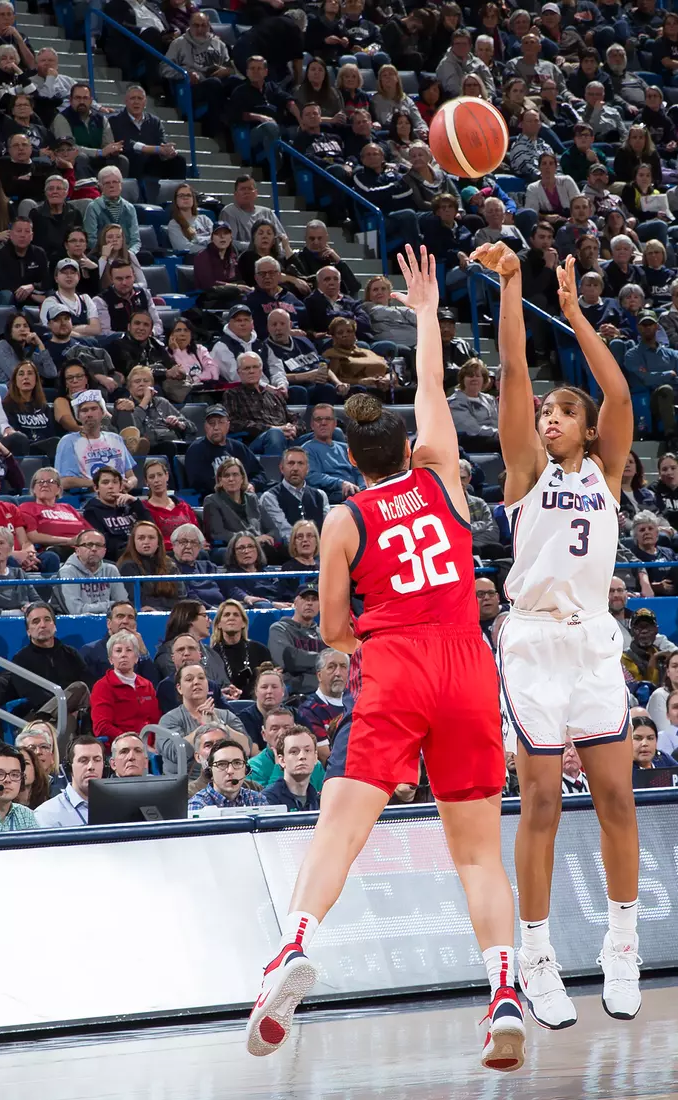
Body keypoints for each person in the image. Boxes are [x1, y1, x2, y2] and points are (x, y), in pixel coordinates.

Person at [247, 249, 526, 1074]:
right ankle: (503, 994)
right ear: (407, 446)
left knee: (340, 827)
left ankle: (294, 946)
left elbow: (335, 628)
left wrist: (370, 640)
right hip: (468, 663)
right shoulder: (443, 480)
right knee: (478, 853)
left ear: (350, 458)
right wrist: (426, 311)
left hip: (396, 661)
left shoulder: (343, 520)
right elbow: (431, 383)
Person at [470, 240, 642, 1028]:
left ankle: (622, 944)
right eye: (548, 411)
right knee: (540, 800)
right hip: (535, 642)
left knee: (617, 797)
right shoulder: (524, 473)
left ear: (589, 430)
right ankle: (536, 958)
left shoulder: (608, 474)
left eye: (565, 411)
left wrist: (573, 313)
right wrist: (512, 284)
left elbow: (618, 390)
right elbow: (513, 370)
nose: (550, 416)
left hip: (593, 640)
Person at [35, 734, 106, 827]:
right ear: (69, 768)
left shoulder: (117, 807)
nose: (91, 766)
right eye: (83, 760)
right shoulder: (47, 813)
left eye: (97, 760)